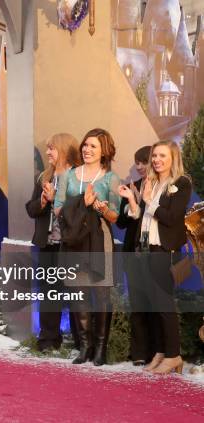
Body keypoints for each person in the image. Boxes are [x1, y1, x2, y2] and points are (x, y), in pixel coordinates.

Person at [118, 140, 191, 374]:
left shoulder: (181, 183)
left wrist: (149, 201)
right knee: (153, 305)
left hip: (165, 252)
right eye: (155, 156)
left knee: (164, 305)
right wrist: (133, 201)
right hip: (146, 250)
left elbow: (171, 218)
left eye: (162, 156)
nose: (157, 160)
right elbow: (141, 217)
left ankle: (173, 355)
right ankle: (161, 351)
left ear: (173, 158)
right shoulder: (151, 182)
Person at [54, 128, 121, 366]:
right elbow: (58, 208)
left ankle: (100, 348)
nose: (87, 149)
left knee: (101, 293)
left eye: (93, 146)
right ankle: (84, 347)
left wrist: (101, 207)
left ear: (104, 151)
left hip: (99, 239)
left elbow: (115, 216)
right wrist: (83, 203)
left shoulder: (111, 179)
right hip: (74, 239)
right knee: (77, 292)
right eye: (85, 145)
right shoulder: (68, 176)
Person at [25, 133, 81, 351]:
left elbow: (80, 212)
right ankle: (49, 338)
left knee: (76, 293)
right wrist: (42, 201)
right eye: (47, 148)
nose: (47, 152)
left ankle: (81, 340)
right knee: (49, 292)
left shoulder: (78, 178)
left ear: (65, 150)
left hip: (70, 245)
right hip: (47, 244)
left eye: (52, 148)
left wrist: (56, 198)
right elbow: (30, 209)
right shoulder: (43, 178)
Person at [116, 145, 154, 366]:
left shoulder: (163, 189)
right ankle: (139, 352)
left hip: (155, 253)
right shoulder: (132, 186)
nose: (140, 166)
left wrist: (143, 201)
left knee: (155, 304)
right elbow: (121, 223)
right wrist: (130, 201)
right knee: (137, 303)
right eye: (137, 162)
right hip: (133, 252)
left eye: (144, 162)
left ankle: (159, 351)